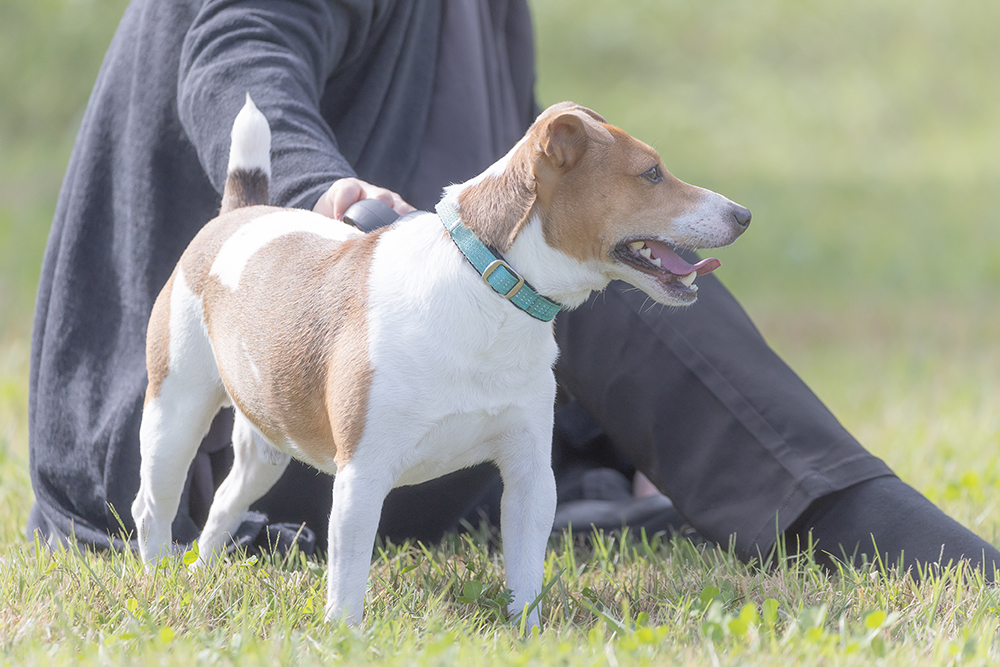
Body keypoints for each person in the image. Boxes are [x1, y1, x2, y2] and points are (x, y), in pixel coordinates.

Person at [29, 0, 1000, 577]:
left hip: (376, 402)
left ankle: (720, 489)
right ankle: (863, 522)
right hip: (221, 429)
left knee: (579, 258)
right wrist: (324, 191)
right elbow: (235, 55)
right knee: (587, 280)